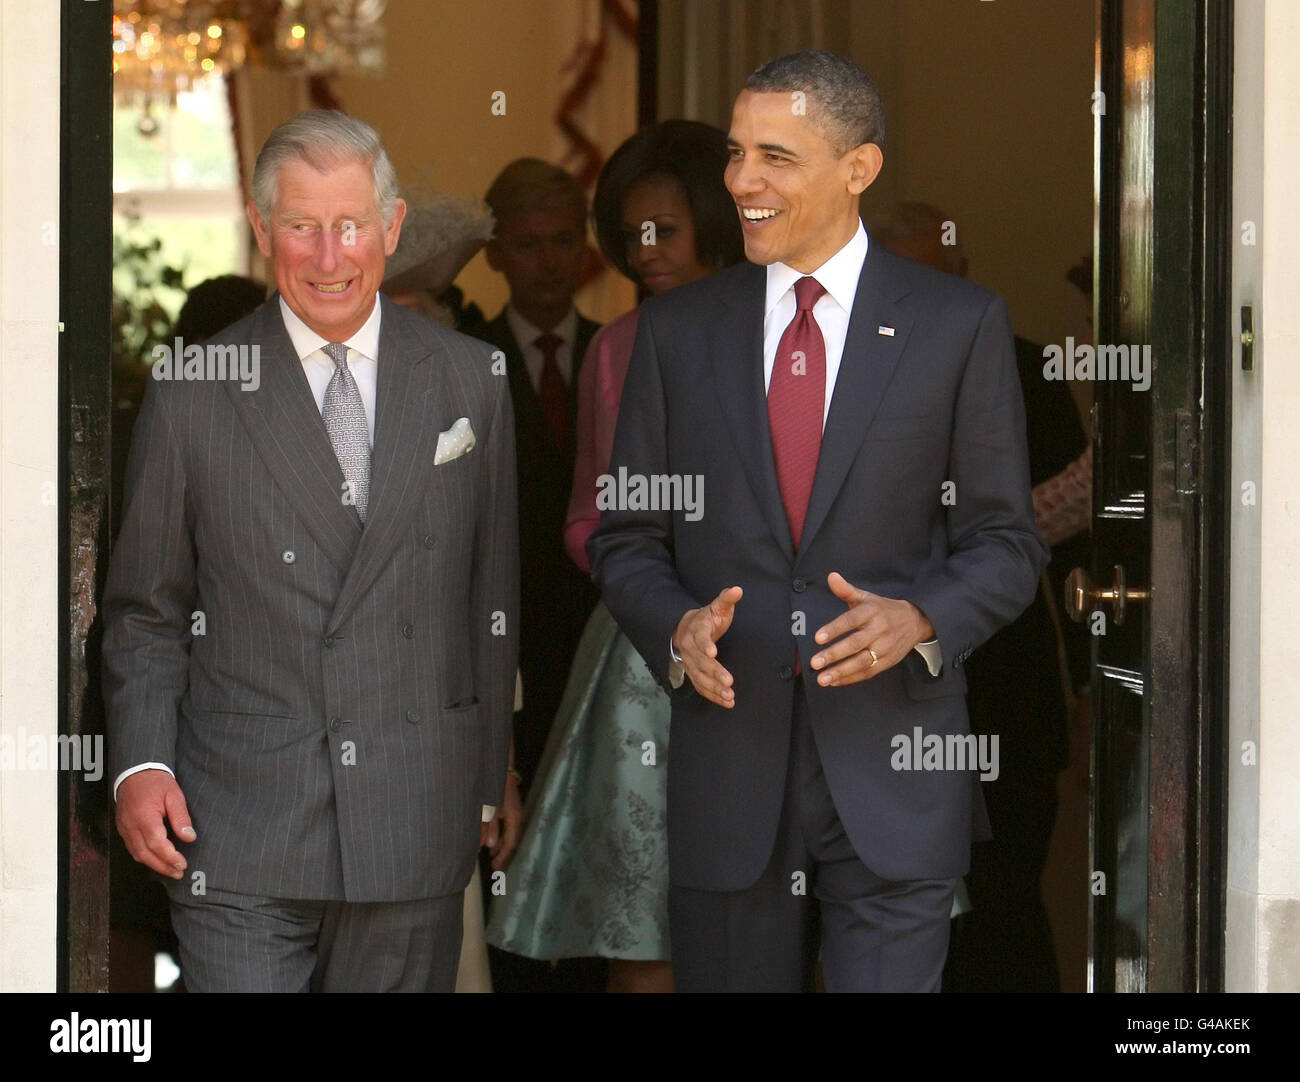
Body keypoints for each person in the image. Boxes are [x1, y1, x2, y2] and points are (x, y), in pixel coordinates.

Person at [588, 50, 1048, 992]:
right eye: (734, 153)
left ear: (859, 169)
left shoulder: (958, 325)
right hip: (728, 769)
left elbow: (1006, 542)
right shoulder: (678, 333)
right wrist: (674, 629)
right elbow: (624, 536)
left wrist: (920, 618)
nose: (741, 184)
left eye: (775, 157)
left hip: (896, 769)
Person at [102, 109, 518, 993]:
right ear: (261, 231)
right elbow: (148, 608)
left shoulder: (469, 380)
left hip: (413, 808)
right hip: (240, 819)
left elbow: (492, 596)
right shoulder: (194, 390)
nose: (329, 257)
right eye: (300, 227)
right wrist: (140, 763)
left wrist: (487, 774)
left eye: (350, 226)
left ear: (391, 227)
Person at [486, 121, 744, 994]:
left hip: (771, 641)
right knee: (640, 919)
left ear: (714, 219)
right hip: (644, 656)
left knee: (772, 910)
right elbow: (587, 515)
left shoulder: (789, 328)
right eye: (629, 235)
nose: (643, 255)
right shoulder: (616, 347)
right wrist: (653, 572)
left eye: (662, 231)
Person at [872, 201, 1087, 991]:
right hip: (888, 689)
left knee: (1004, 901)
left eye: (946, 280)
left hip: (1009, 679)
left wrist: (1093, 678)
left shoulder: (1029, 369)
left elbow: (1084, 546)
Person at [473, 159, 602, 793]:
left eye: (563, 241)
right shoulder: (463, 358)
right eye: (528, 244)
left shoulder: (628, 350)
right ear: (496, 254)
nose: (549, 262)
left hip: (605, 632)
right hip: (505, 641)